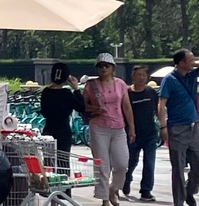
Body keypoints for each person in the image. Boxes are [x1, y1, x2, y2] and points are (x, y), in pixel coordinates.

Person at [84, 52, 135, 206]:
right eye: (100, 66)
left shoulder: (120, 84)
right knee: (102, 164)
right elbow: (83, 106)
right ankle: (105, 198)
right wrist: (94, 108)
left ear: (113, 67)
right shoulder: (91, 85)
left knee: (122, 163)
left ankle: (114, 188)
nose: (103, 68)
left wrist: (131, 127)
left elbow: (126, 106)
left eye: (107, 65)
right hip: (99, 127)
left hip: (118, 127)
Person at [159, 48, 199, 206]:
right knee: (178, 169)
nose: (194, 62)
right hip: (177, 128)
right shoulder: (169, 79)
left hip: (194, 127)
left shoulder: (191, 75)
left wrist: (194, 61)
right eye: (190, 59)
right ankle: (179, 202)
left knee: (197, 165)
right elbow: (161, 103)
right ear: (181, 63)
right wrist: (163, 127)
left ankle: (189, 191)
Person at [40, 62, 85, 197]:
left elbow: (44, 112)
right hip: (63, 130)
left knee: (48, 162)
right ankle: (64, 193)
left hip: (48, 130)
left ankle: (48, 190)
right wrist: (76, 89)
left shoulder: (46, 92)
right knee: (63, 163)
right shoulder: (66, 93)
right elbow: (81, 107)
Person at [121, 65, 159, 201]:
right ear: (133, 76)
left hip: (150, 134)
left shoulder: (151, 92)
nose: (141, 78)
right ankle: (126, 179)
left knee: (149, 162)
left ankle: (146, 190)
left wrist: (162, 127)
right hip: (132, 133)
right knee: (130, 161)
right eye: (138, 75)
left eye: (144, 75)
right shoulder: (126, 93)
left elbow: (158, 109)